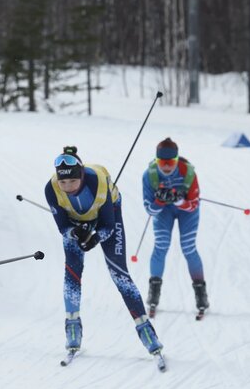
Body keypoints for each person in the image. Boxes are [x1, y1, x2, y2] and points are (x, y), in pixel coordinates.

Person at [43, 145, 163, 358]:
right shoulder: (51, 189)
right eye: (63, 182)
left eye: (72, 181)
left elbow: (108, 224)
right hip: (75, 221)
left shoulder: (97, 181)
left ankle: (145, 329)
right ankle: (72, 326)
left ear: (81, 175)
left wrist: (95, 238)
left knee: (119, 274)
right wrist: (76, 233)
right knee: (72, 271)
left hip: (107, 215)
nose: (68, 187)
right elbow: (63, 227)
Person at [141, 137, 208, 316]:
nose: (166, 166)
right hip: (164, 211)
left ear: (177, 160)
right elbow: (150, 210)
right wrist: (160, 200)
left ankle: (201, 294)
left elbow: (193, 204)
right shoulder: (149, 175)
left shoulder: (188, 173)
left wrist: (179, 200)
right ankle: (153, 292)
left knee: (188, 247)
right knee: (161, 245)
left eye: (170, 162)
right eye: (162, 162)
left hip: (187, 212)